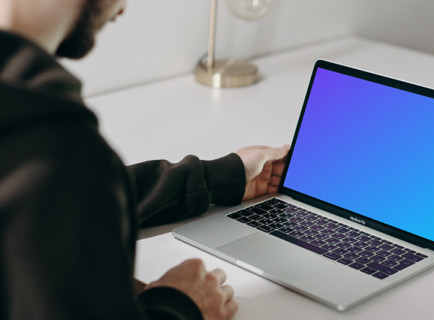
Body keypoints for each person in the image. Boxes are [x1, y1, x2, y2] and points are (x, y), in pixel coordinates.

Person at [0, 1, 290, 319]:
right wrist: (177, 306)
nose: (122, 8)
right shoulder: (56, 148)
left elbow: (59, 202)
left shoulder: (33, 139)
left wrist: (222, 176)